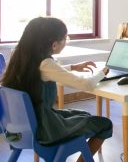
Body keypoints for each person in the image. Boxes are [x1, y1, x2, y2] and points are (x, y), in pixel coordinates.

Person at [1, 17, 112, 162]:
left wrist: (73, 67)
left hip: (18, 130)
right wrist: (102, 72)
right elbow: (87, 85)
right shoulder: (46, 63)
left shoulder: (19, 58)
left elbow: (43, 72)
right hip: (44, 130)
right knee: (104, 124)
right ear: (54, 44)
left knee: (83, 113)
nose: (66, 41)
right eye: (65, 38)